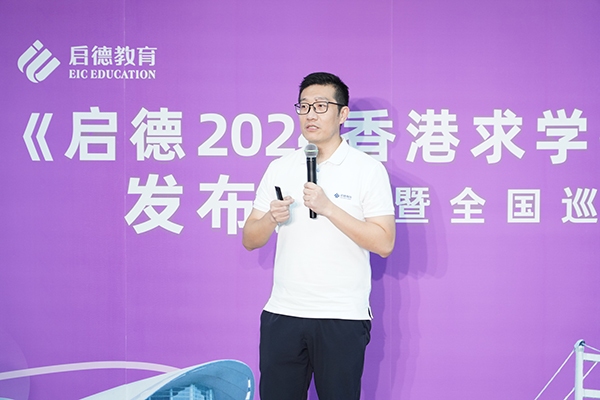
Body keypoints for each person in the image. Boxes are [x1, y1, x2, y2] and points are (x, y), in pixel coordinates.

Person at [242, 72, 396, 400]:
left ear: (343, 114)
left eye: (321, 106)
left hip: (341, 316)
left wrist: (329, 208)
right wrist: (270, 218)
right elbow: (250, 239)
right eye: (304, 106)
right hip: (284, 313)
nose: (310, 114)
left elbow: (384, 243)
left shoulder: (367, 170)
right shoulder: (280, 167)